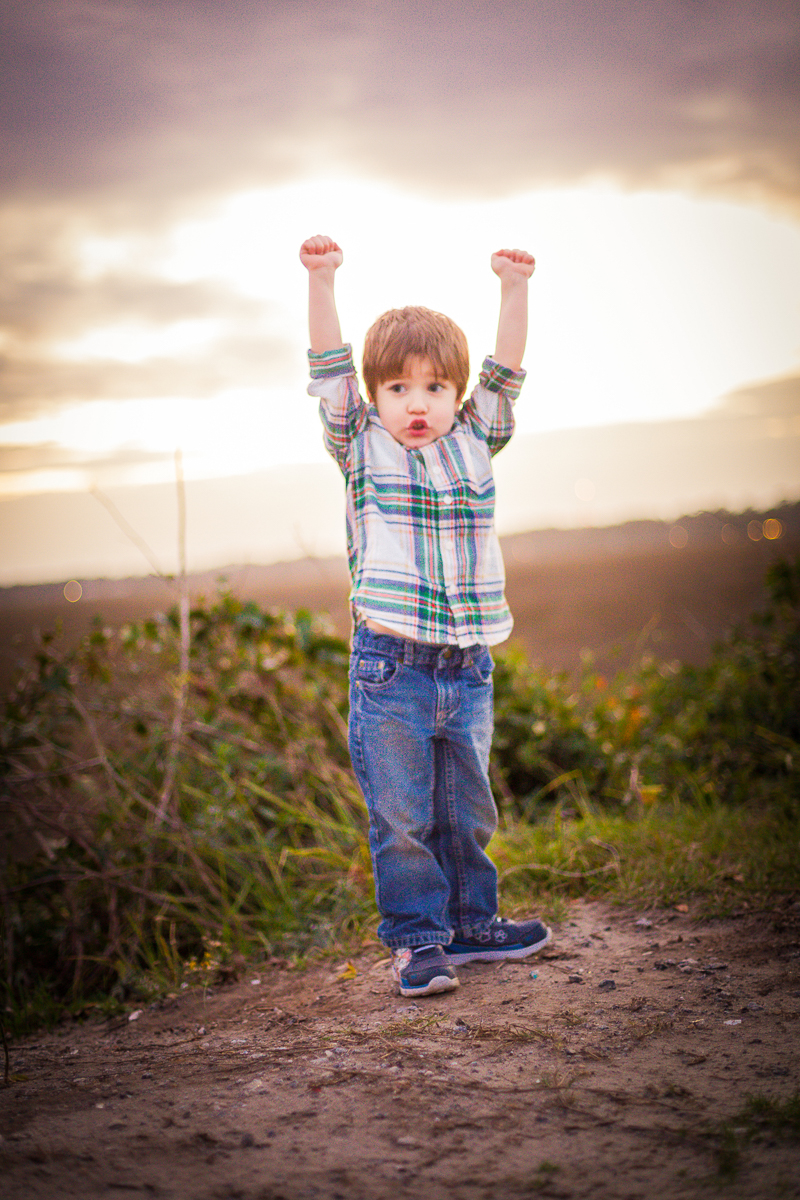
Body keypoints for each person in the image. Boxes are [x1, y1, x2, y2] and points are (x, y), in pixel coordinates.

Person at [300, 234, 551, 998]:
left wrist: (512, 289)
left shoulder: (477, 436)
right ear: (377, 397)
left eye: (437, 388)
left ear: (456, 395)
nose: (420, 403)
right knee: (403, 820)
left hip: (467, 664)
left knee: (467, 809)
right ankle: (416, 943)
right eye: (402, 389)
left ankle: (474, 927)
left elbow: (506, 372)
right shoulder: (359, 443)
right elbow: (330, 367)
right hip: (392, 667)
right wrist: (322, 278)